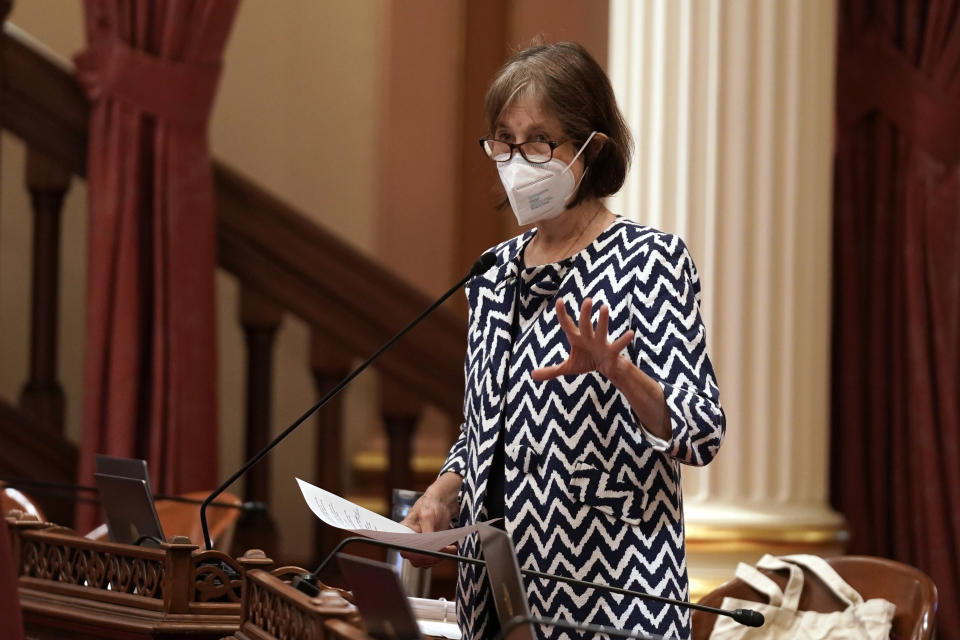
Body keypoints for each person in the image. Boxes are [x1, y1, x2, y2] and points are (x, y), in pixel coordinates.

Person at [401, 41, 725, 640]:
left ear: (590, 147)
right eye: (505, 141)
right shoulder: (493, 273)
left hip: (612, 598)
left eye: (540, 142)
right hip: (496, 599)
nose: (518, 159)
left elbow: (701, 432)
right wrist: (441, 494)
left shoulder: (649, 261)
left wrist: (620, 373)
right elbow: (487, 432)